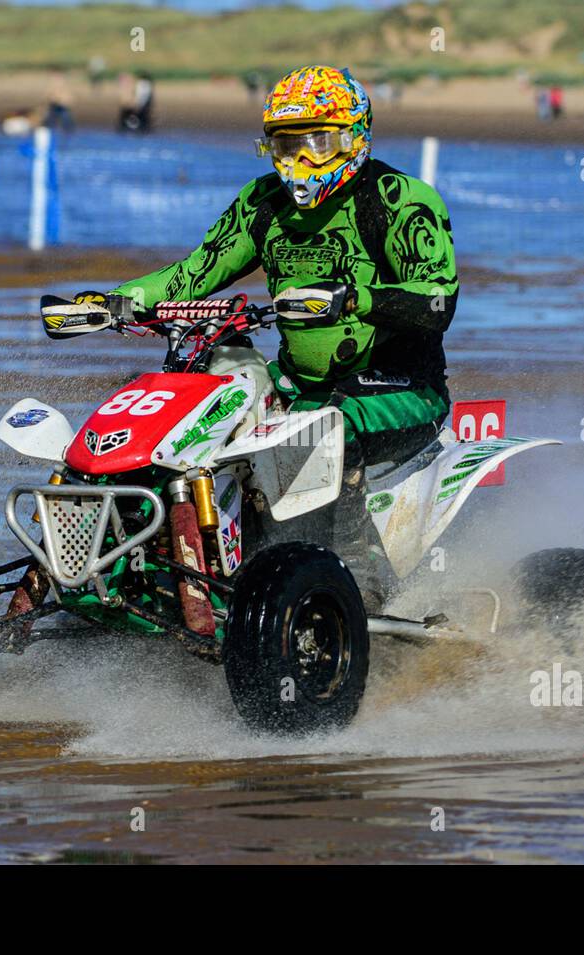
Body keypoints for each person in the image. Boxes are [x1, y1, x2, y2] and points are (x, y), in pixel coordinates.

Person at [59, 65, 458, 605]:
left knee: (327, 432)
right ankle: (154, 567)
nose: (301, 162)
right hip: (296, 385)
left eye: (318, 142)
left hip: (401, 390)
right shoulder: (263, 202)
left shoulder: (399, 200)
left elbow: (438, 301)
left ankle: (356, 594)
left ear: (355, 138)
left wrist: (355, 298)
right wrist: (117, 301)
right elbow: (194, 272)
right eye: (286, 146)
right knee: (185, 416)